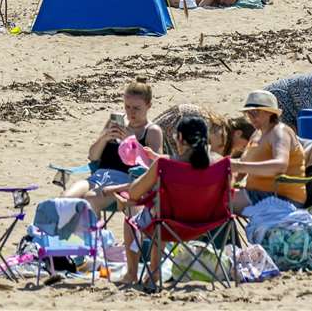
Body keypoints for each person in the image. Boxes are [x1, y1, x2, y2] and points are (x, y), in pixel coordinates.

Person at [119, 114, 225, 288]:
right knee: (163, 213)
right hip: (208, 224)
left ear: (180, 139)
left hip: (169, 226)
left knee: (138, 214)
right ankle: (153, 272)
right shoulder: (219, 163)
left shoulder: (165, 164)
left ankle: (143, 274)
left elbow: (134, 193)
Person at [65, 80, 165, 208]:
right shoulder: (115, 123)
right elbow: (93, 157)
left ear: (148, 106)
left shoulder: (152, 131)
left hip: (126, 183)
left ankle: (95, 228)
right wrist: (105, 137)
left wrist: (132, 142)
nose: (131, 112)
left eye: (136, 108)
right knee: (66, 199)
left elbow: (155, 166)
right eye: (127, 107)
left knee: (90, 199)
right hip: (99, 177)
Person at [229, 91, 305, 210]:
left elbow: (280, 165)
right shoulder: (257, 134)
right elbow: (240, 173)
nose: (250, 117)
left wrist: (239, 166)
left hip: (282, 198)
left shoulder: (280, 132)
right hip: (257, 193)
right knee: (213, 197)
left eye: (255, 112)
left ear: (270, 113)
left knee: (218, 202)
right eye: (248, 113)